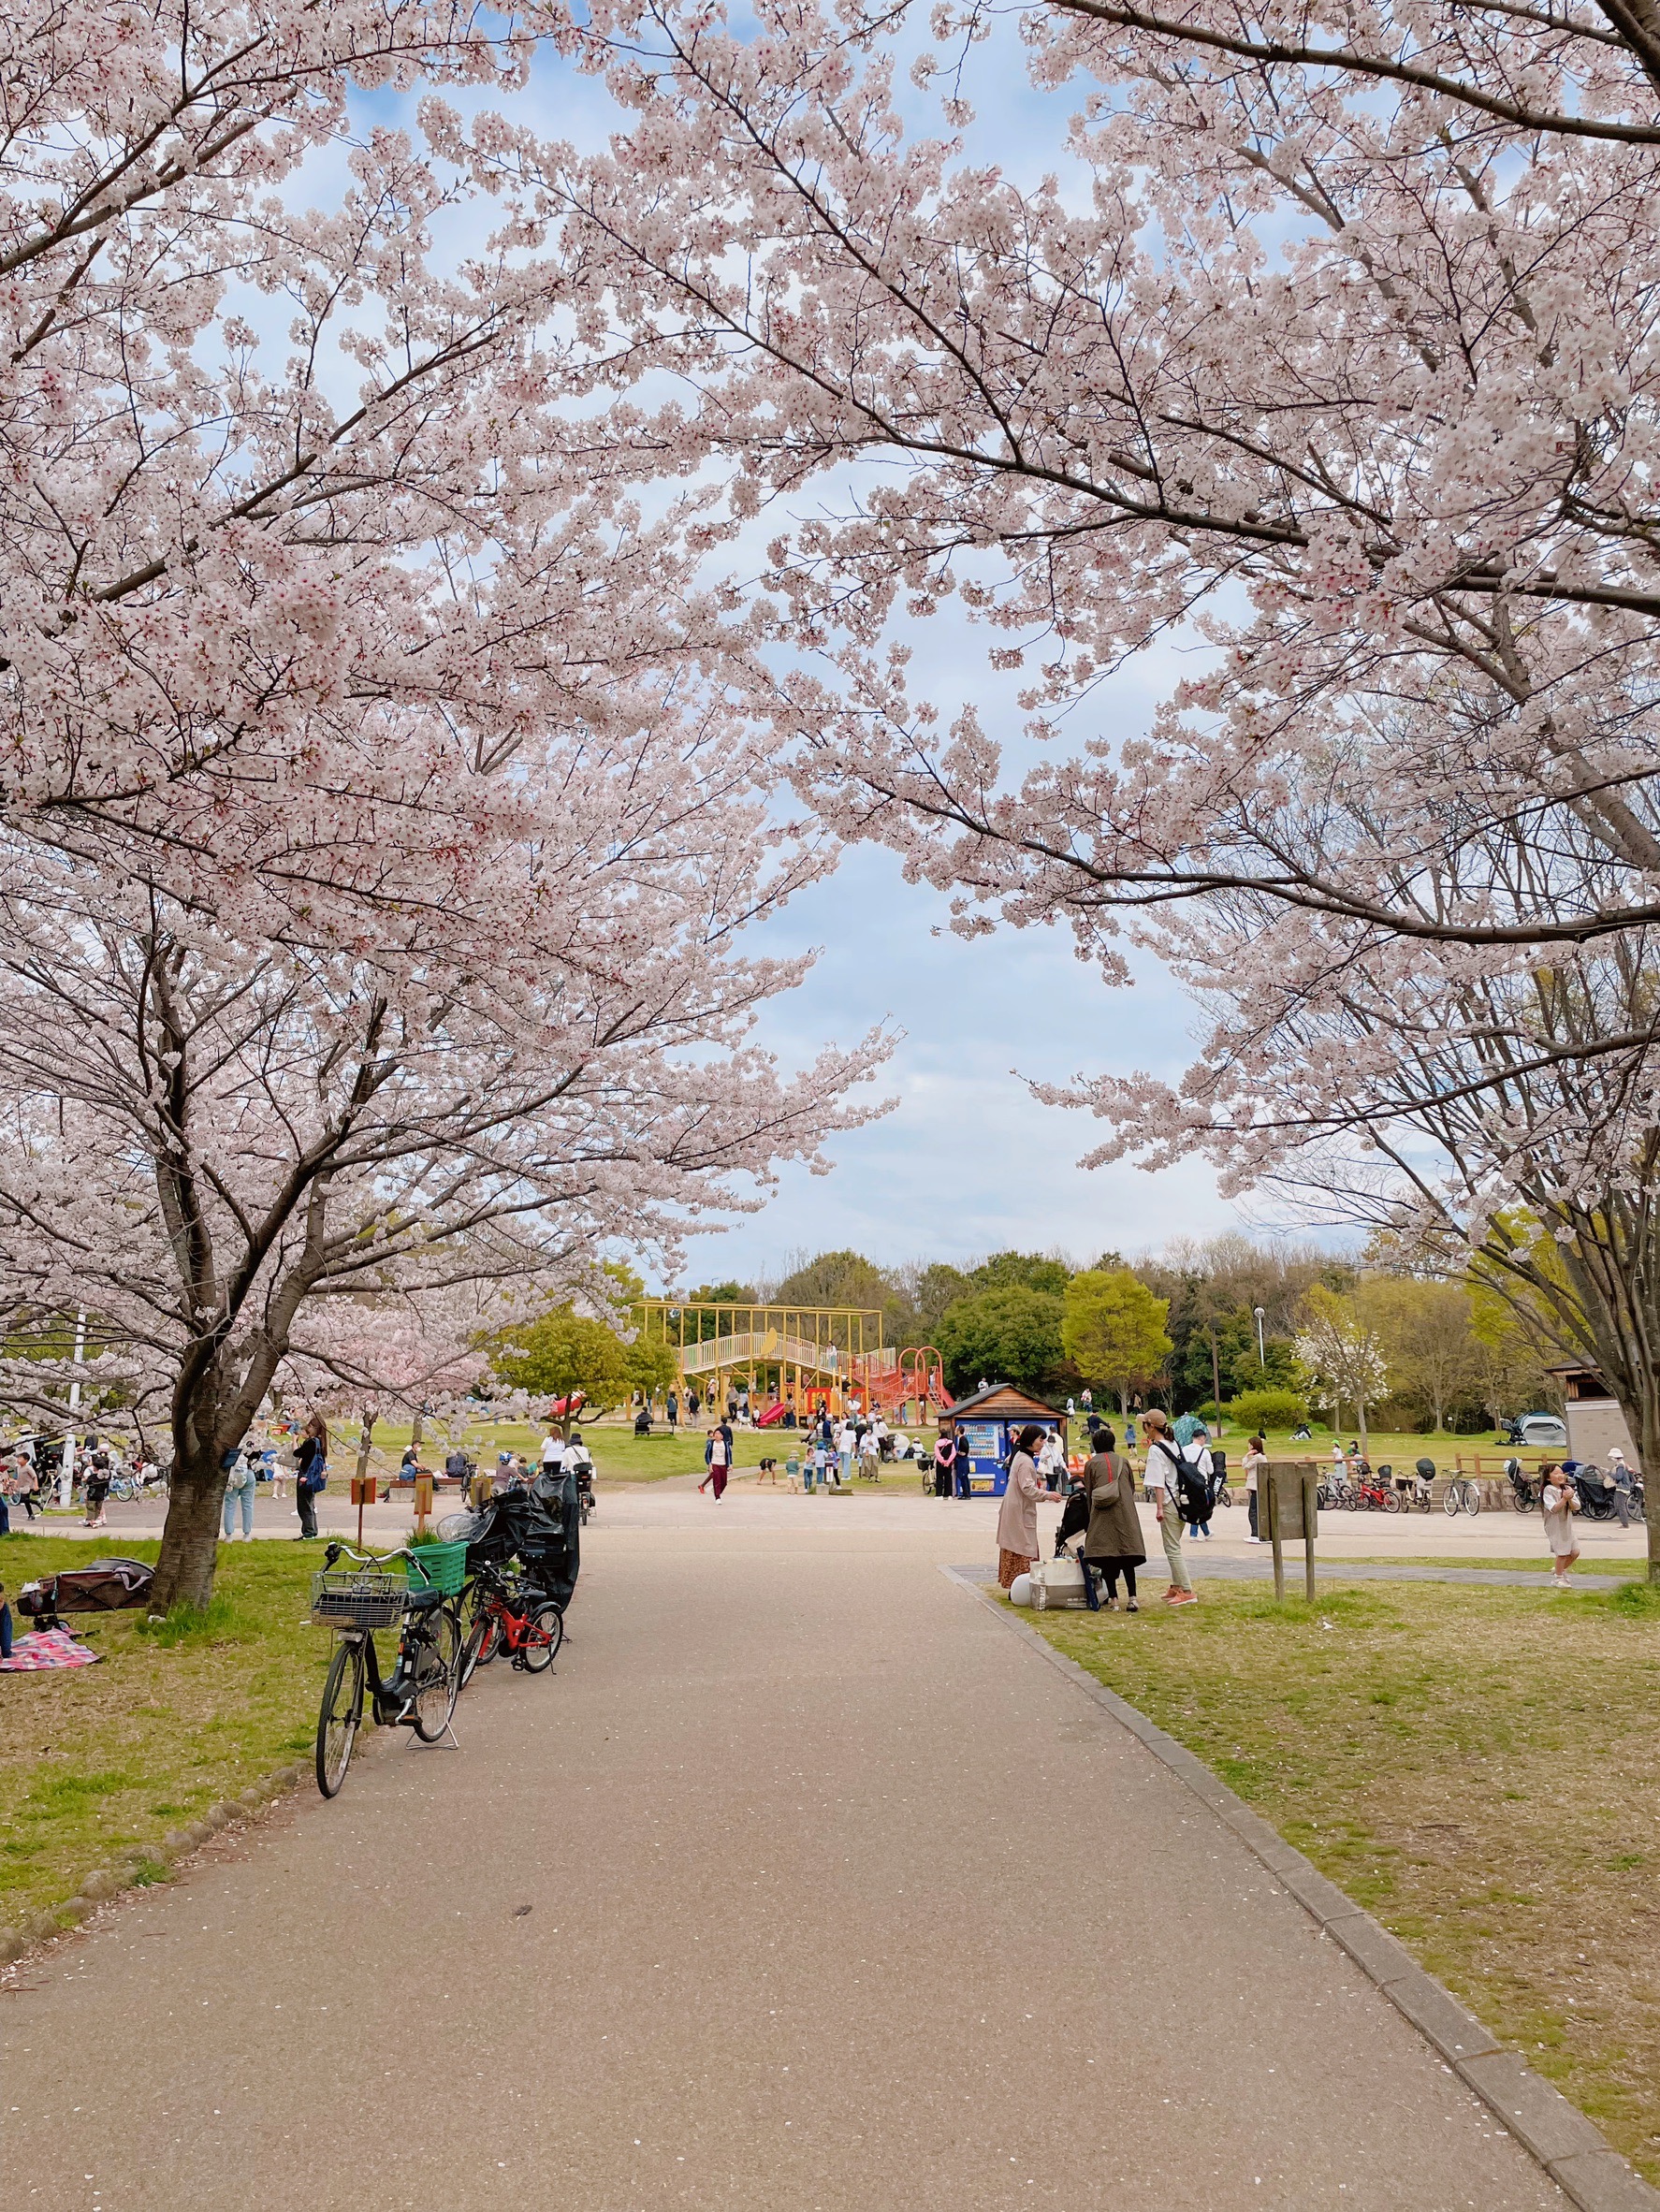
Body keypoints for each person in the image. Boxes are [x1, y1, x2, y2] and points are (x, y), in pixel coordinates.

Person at [1078, 1425, 1145, 1611]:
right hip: (1124, 1513)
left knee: (1106, 1556)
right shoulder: (1123, 1461)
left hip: (1101, 1514)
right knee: (1127, 1556)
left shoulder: (1091, 1464)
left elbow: (1090, 1490)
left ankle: (1114, 1599)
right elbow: (1130, 1488)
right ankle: (1132, 1598)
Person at [1142, 1408, 1196, 1606]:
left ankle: (1187, 1590)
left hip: (1169, 1502)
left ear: (1149, 1426)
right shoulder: (1173, 1444)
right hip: (1182, 1502)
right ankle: (1177, 1586)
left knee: (1172, 1548)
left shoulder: (1156, 1449)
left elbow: (1158, 1482)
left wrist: (1159, 1508)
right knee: (1173, 1545)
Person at [996, 1425, 1045, 1590]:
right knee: (1024, 1547)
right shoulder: (1025, 1461)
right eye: (1040, 1439)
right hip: (1020, 1510)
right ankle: (1022, 1587)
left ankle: (1013, 1585)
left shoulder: (1020, 1456)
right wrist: (1047, 1495)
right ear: (1031, 1440)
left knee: (1014, 1545)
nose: (1043, 1443)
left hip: (1014, 1507)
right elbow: (1027, 1488)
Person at [1540, 1462, 1580, 1587]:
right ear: (1548, 1477)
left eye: (1561, 1473)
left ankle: (1559, 1570)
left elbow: (1577, 1506)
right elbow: (1553, 1508)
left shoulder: (1567, 1489)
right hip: (1555, 1526)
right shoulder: (1548, 1490)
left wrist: (1569, 1498)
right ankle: (1558, 1578)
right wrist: (1564, 1499)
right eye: (1556, 1473)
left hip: (1566, 1526)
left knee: (1575, 1552)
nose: (1560, 1475)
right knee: (1562, 1553)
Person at [294, 1412, 328, 1539]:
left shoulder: (312, 1443)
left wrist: (295, 1442)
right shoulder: (321, 1443)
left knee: (304, 1506)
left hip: (306, 1475)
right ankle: (311, 1531)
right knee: (310, 1504)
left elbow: (297, 1453)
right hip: (315, 1476)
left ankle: (309, 1532)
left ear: (314, 1428)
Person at [221, 1443, 256, 1541]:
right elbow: (256, 1455)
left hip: (233, 1474)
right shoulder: (251, 1443)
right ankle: (247, 1534)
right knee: (248, 1505)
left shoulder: (231, 1440)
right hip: (248, 1472)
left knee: (230, 1504)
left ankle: (229, 1535)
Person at [1243, 1433, 1268, 1542]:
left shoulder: (1257, 1458)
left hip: (1255, 1486)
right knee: (1258, 1510)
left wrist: (1246, 1456)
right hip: (1260, 1486)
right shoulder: (1262, 1457)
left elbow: (1245, 1466)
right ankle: (1260, 1533)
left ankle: (1255, 1534)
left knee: (1253, 1511)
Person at [1608, 1446, 1637, 1527]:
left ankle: (1625, 1524)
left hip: (1621, 1488)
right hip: (1623, 1487)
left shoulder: (1620, 1465)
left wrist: (1609, 1473)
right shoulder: (1623, 1464)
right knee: (1619, 1506)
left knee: (1620, 1506)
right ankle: (1624, 1523)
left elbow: (1619, 1477)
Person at [932, 1429, 956, 1499]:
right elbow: (953, 1453)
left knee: (939, 1478)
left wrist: (943, 1461)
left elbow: (937, 1454)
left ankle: (939, 1494)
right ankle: (948, 1494)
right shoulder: (951, 1442)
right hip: (949, 1463)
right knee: (948, 1478)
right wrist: (948, 1462)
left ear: (940, 1434)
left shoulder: (937, 1443)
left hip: (940, 1463)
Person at [954, 1422, 973, 1500]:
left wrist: (958, 1453)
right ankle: (966, 1493)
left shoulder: (962, 1439)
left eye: (956, 1430)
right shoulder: (961, 1439)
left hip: (963, 1460)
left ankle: (966, 1494)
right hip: (963, 1460)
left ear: (958, 1431)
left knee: (963, 1477)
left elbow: (965, 1450)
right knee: (963, 1477)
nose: (955, 1431)